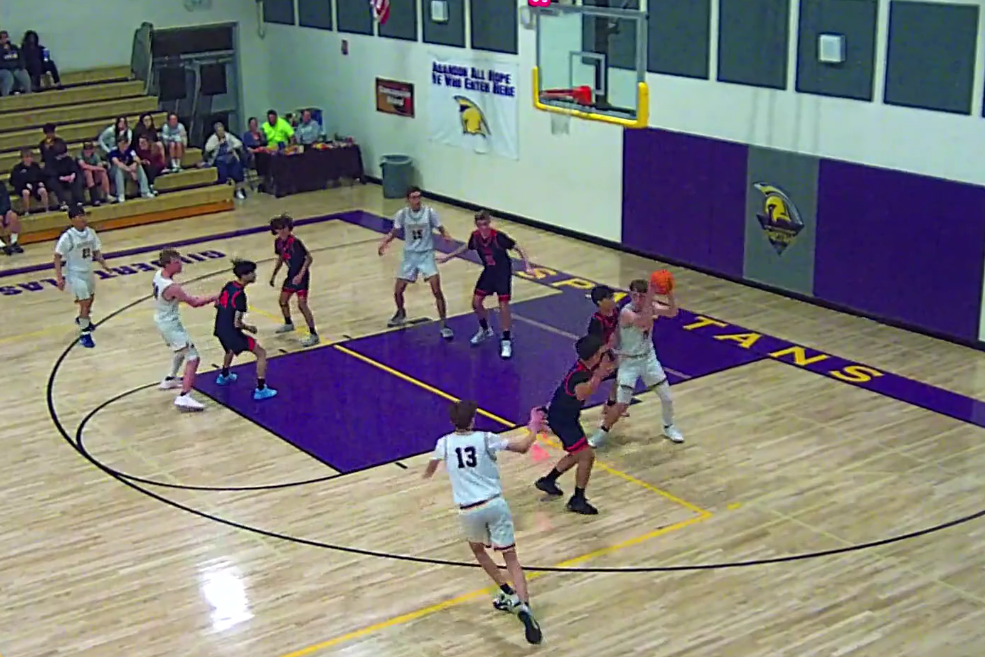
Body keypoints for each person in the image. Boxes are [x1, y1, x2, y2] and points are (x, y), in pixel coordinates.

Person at [422, 402, 545, 645]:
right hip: (494, 503)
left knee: (479, 551)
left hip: (468, 510)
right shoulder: (485, 438)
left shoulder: (443, 443)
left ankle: (507, 592)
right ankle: (524, 606)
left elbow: (431, 466)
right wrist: (533, 429)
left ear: (452, 422)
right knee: (511, 558)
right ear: (473, 420)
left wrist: (428, 473)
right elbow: (522, 448)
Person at [590, 278, 683, 448]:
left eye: (642, 296)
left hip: (648, 358)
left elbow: (672, 312)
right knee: (621, 405)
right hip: (629, 361)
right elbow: (643, 323)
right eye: (635, 295)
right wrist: (651, 298)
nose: (638, 299)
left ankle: (669, 426)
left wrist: (669, 292)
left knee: (667, 398)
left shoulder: (650, 306)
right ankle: (601, 433)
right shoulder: (626, 312)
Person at [535, 334, 615, 515]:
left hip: (566, 417)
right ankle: (578, 499)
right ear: (594, 356)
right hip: (562, 420)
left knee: (577, 453)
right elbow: (582, 394)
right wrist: (599, 375)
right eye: (600, 353)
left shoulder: (585, 367)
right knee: (587, 456)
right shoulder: (578, 376)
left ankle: (548, 481)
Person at [438, 210, 531, 359]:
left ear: (489, 223)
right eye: (480, 225)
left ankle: (506, 339)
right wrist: (449, 257)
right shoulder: (475, 237)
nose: (484, 228)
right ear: (477, 225)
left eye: (486, 224)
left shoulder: (498, 237)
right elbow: (466, 247)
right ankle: (485, 329)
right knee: (476, 303)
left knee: (503, 304)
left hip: (502, 273)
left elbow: (518, 247)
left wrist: (527, 266)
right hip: (489, 271)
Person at [377, 186, 453, 339]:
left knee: (436, 290)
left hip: (426, 254)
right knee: (398, 290)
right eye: (414, 197)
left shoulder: (429, 212)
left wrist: (446, 236)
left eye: (419, 197)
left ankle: (444, 323)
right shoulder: (402, 214)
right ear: (408, 200)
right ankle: (400, 312)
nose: (417, 200)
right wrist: (385, 242)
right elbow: (395, 231)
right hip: (410, 255)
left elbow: (441, 228)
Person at [153, 249, 220, 411]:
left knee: (180, 350)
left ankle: (170, 379)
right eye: (177, 262)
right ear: (167, 264)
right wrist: (215, 296)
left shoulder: (158, 275)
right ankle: (184, 396)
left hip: (162, 320)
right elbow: (194, 302)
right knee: (193, 357)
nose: (180, 264)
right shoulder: (172, 287)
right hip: (169, 325)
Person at [213, 259, 277, 401]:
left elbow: (217, 303)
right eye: (251, 273)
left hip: (220, 327)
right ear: (244, 275)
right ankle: (261, 389)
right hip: (231, 331)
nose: (254, 275)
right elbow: (237, 323)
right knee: (261, 353)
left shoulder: (229, 285)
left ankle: (224, 375)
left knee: (229, 349)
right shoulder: (240, 296)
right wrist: (249, 328)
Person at [54, 204, 110, 349]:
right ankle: (85, 334)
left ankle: (83, 319)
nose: (83, 219)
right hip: (75, 273)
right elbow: (57, 256)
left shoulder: (91, 232)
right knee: (84, 302)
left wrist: (104, 264)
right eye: (80, 216)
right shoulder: (68, 236)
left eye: (84, 215)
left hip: (88, 271)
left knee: (90, 299)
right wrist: (59, 278)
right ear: (73, 219)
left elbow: (96, 251)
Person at [269, 214, 318, 347]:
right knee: (282, 301)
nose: (282, 231)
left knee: (302, 305)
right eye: (279, 229)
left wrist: (300, 275)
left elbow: (309, 258)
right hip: (291, 275)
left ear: (289, 228)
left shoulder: (295, 242)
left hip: (301, 276)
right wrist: (274, 275)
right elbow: (281, 258)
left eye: (284, 228)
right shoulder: (278, 243)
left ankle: (313, 334)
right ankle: (288, 323)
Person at [585, 285, 626, 437]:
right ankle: (549, 411)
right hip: (597, 358)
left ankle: (609, 405)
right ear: (600, 302)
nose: (613, 300)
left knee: (621, 375)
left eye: (612, 297)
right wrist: (606, 359)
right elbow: (595, 346)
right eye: (609, 298)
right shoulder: (596, 321)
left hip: (612, 353)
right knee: (586, 385)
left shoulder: (617, 312)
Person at [204, 122, 247, 199]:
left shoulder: (228, 136)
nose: (221, 132)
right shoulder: (213, 138)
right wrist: (218, 144)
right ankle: (225, 192)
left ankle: (238, 190)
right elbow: (208, 148)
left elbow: (239, 143)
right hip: (219, 160)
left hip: (230, 157)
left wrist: (232, 147)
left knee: (238, 171)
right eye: (219, 131)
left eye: (222, 130)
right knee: (222, 173)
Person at [108, 135, 154, 203]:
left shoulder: (130, 151)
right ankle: (121, 194)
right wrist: (129, 170)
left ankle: (145, 191)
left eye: (125, 143)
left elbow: (137, 159)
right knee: (119, 169)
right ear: (118, 144)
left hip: (127, 171)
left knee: (139, 166)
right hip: (115, 172)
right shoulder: (114, 152)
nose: (124, 145)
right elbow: (117, 163)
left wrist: (135, 164)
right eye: (122, 143)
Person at [10, 149, 51, 213]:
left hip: (35, 186)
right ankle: (26, 211)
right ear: (22, 158)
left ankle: (47, 209)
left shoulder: (35, 166)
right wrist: (24, 185)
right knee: (25, 192)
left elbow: (41, 176)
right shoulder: (17, 168)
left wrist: (41, 182)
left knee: (43, 190)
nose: (28, 159)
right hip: (23, 187)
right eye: (26, 157)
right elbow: (13, 181)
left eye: (30, 157)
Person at [48, 141, 86, 207]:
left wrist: (72, 176)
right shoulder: (51, 162)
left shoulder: (68, 159)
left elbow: (73, 168)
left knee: (78, 178)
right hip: (59, 180)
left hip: (69, 178)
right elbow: (51, 173)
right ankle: (63, 202)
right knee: (53, 182)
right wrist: (62, 178)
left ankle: (79, 200)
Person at [77, 141, 110, 206]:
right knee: (88, 172)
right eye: (86, 150)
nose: (87, 152)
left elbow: (99, 166)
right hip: (81, 177)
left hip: (95, 175)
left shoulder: (95, 156)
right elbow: (83, 166)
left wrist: (99, 168)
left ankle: (107, 195)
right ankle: (94, 198)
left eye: (89, 150)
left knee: (103, 172)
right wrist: (95, 168)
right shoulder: (79, 156)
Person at [0, 30, 31, 96]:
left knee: (23, 73)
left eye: (5, 37)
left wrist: (21, 65)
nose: (4, 40)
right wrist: (3, 50)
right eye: (2, 38)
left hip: (16, 67)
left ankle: (29, 93)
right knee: (8, 76)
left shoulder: (14, 47)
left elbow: (21, 58)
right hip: (3, 69)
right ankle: (5, 96)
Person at [0, 181, 23, 255]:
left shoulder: (1, 185)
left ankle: (14, 242)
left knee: (13, 216)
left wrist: (4, 212)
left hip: (2, 211)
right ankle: (2, 245)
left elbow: (6, 201)